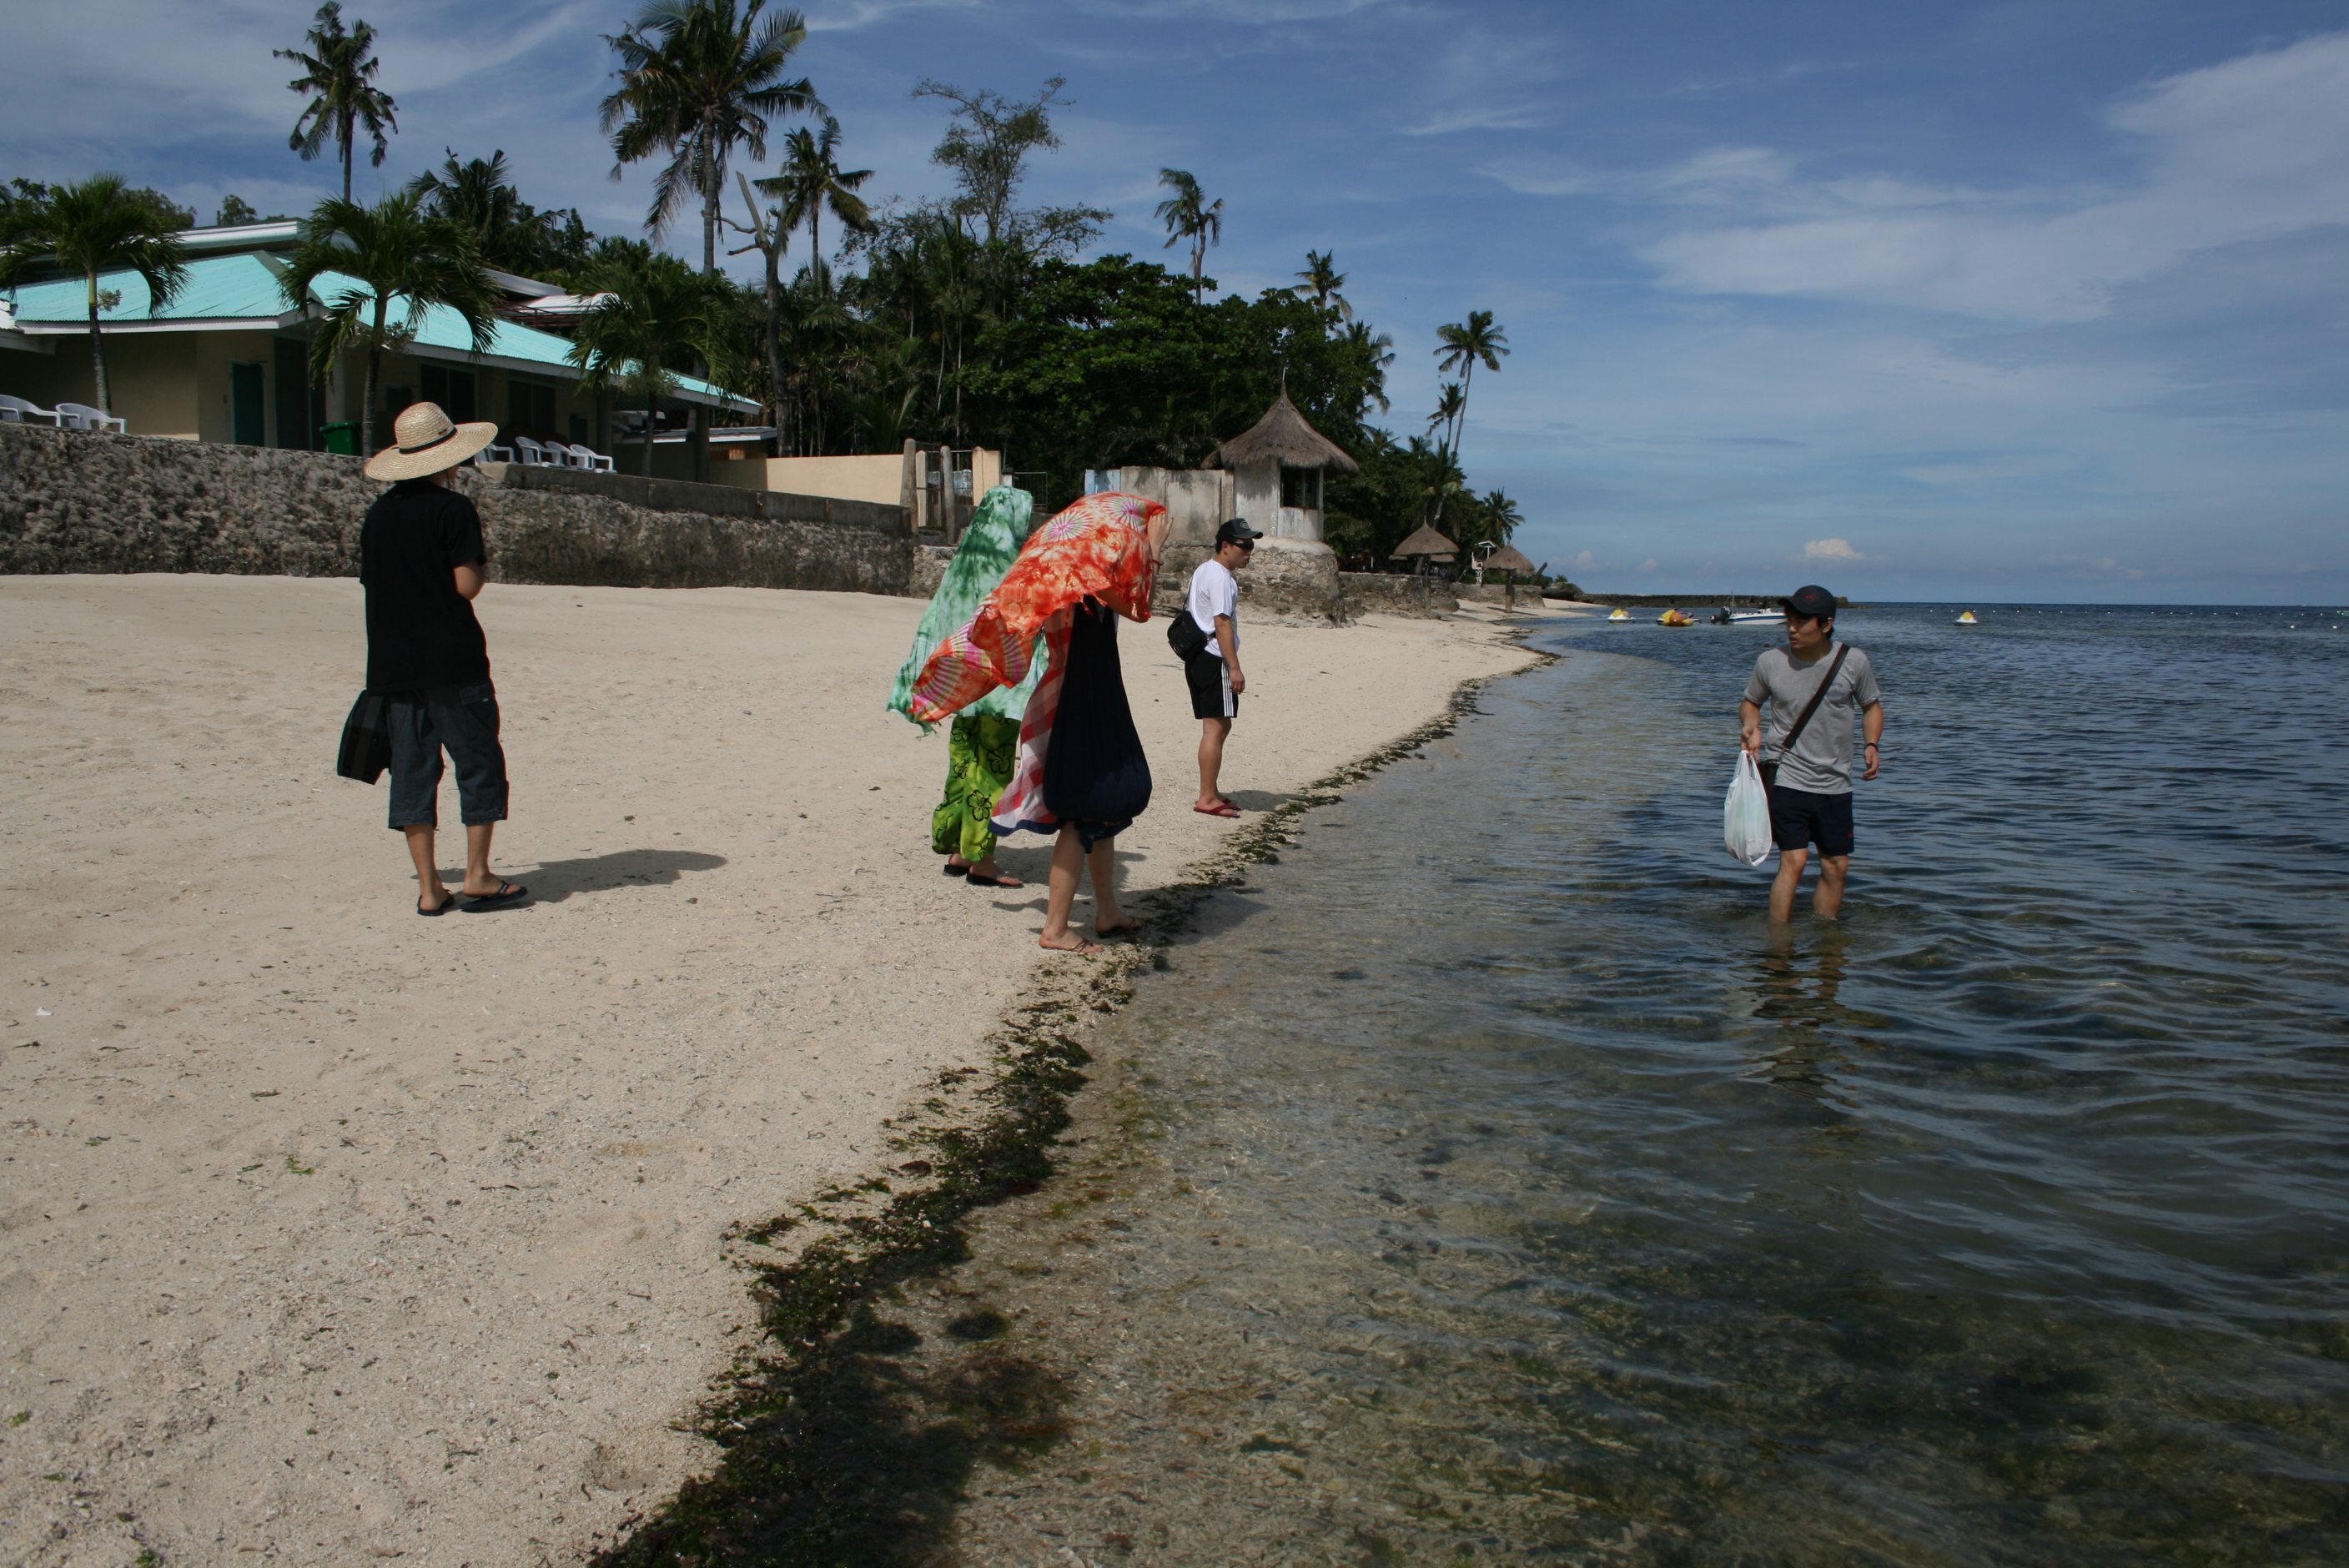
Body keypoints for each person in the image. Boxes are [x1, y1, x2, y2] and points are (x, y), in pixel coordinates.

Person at [905, 492, 1165, 954]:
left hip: (1085, 696)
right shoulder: (1084, 581)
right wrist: (1155, 550)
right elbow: (1140, 608)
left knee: (1104, 812)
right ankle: (1057, 928)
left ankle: (1107, 911)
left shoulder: (1070, 577)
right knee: (1079, 814)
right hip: (1086, 701)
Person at [359, 402, 526, 917]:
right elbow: (465, 585)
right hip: (452, 660)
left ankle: (431, 887)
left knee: (412, 768)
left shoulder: (378, 516)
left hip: (392, 663)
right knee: (477, 760)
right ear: (449, 456)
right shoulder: (452, 510)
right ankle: (477, 875)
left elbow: (375, 584)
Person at [887, 485, 1044, 889]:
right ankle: (983, 860)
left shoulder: (964, 562)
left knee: (963, 765)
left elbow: (937, 622)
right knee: (991, 771)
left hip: (960, 686)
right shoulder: (1013, 566)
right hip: (997, 688)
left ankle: (958, 848)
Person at [1740, 584, 1882, 922]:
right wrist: (1751, 725)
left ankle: (1826, 943)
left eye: (1802, 621)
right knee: (1795, 860)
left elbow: (1872, 707)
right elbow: (1751, 702)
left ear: (1826, 624)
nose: (1791, 627)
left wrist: (1872, 744)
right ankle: (1778, 949)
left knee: (1836, 866)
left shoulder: (1854, 661)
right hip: (1786, 775)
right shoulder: (1770, 662)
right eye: (1790, 619)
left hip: (1836, 782)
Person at [1186, 518, 1260, 817]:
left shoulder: (1205, 570)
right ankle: (1206, 798)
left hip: (1199, 657)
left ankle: (1211, 791)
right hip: (1214, 657)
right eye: (1244, 544)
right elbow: (1222, 622)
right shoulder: (1220, 578)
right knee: (1215, 729)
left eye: (1251, 545)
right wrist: (1234, 667)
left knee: (1218, 726)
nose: (1249, 550)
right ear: (1225, 546)